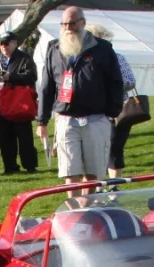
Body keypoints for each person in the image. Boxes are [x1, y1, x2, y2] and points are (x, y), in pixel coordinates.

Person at [36, 6, 123, 187]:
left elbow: (115, 82)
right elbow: (46, 86)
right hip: (66, 119)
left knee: (93, 172)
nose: (68, 27)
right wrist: (42, 121)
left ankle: (86, 207)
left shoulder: (102, 48)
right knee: (70, 170)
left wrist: (112, 112)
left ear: (82, 23)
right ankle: (73, 209)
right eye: (64, 24)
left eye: (72, 23)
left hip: (96, 118)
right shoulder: (54, 48)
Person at [86, 24, 136, 177]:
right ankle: (98, 186)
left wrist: (113, 85)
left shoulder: (118, 58)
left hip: (118, 111)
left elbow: (130, 81)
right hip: (95, 112)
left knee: (114, 148)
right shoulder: (87, 61)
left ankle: (114, 186)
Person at [0, 30, 38, 175]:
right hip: (0, 104)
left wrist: (11, 77)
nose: (3, 47)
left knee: (24, 137)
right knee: (4, 137)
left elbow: (31, 76)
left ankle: (30, 165)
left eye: (6, 43)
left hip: (19, 103)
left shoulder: (24, 58)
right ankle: (10, 166)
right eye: (1, 44)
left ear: (15, 43)